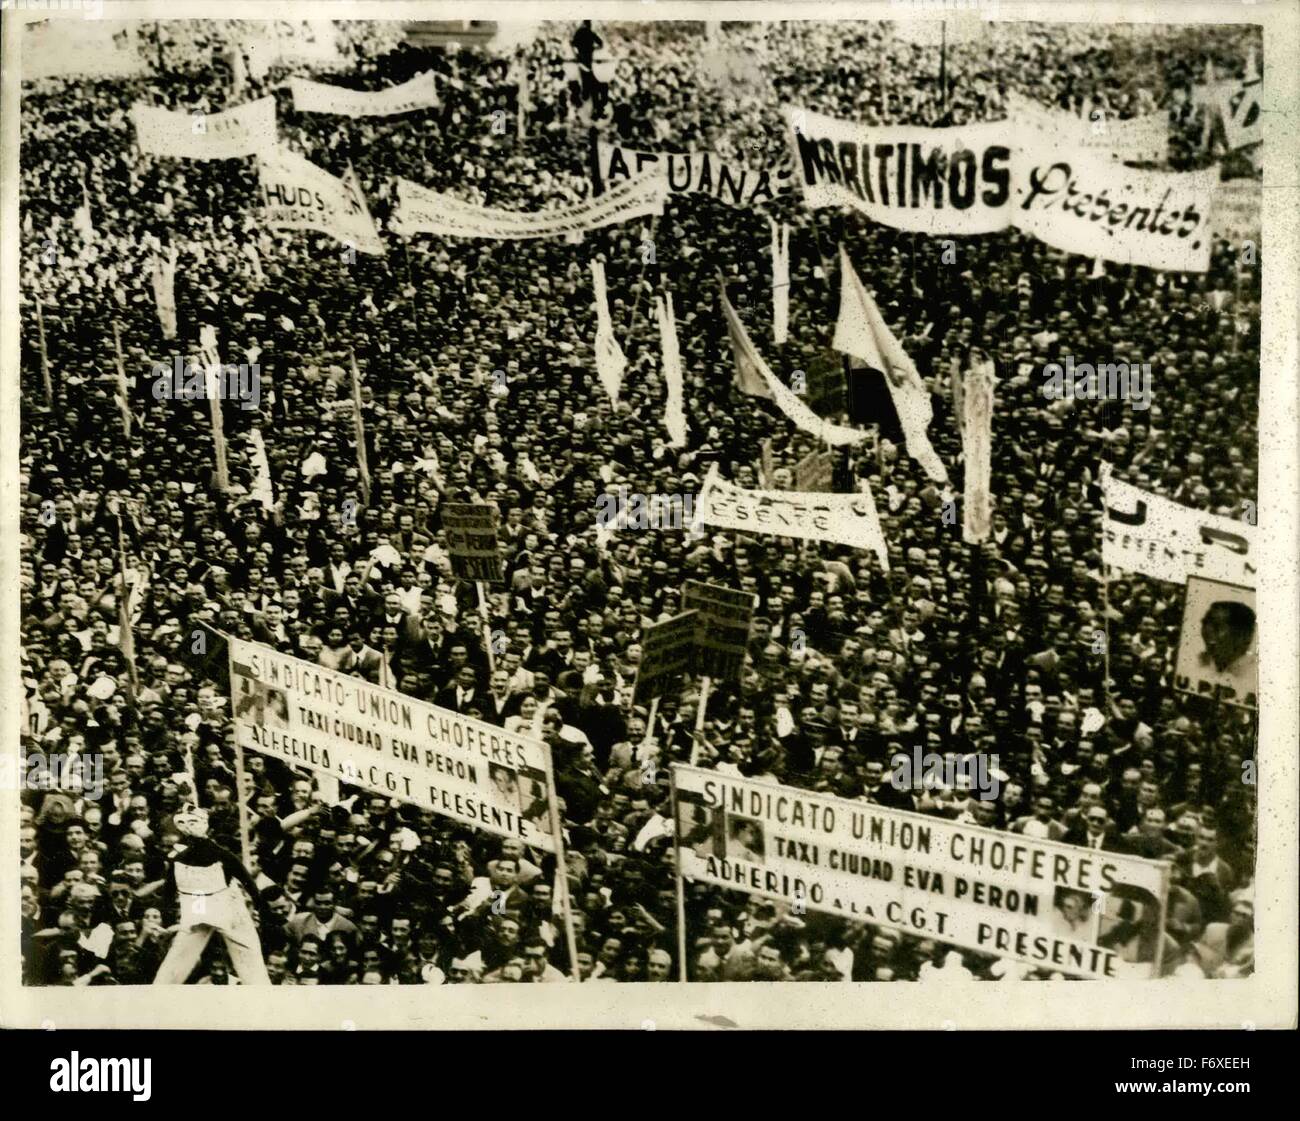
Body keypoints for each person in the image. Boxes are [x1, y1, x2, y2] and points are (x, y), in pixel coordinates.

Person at [152, 805, 270, 985]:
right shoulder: (178, 860)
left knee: (247, 953)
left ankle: (261, 992)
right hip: (198, 902)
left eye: (193, 822)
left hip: (227, 902)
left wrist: (261, 907)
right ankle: (161, 991)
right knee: (182, 953)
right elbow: (168, 893)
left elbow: (248, 883)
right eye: (184, 824)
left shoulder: (222, 856)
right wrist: (167, 918)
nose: (190, 828)